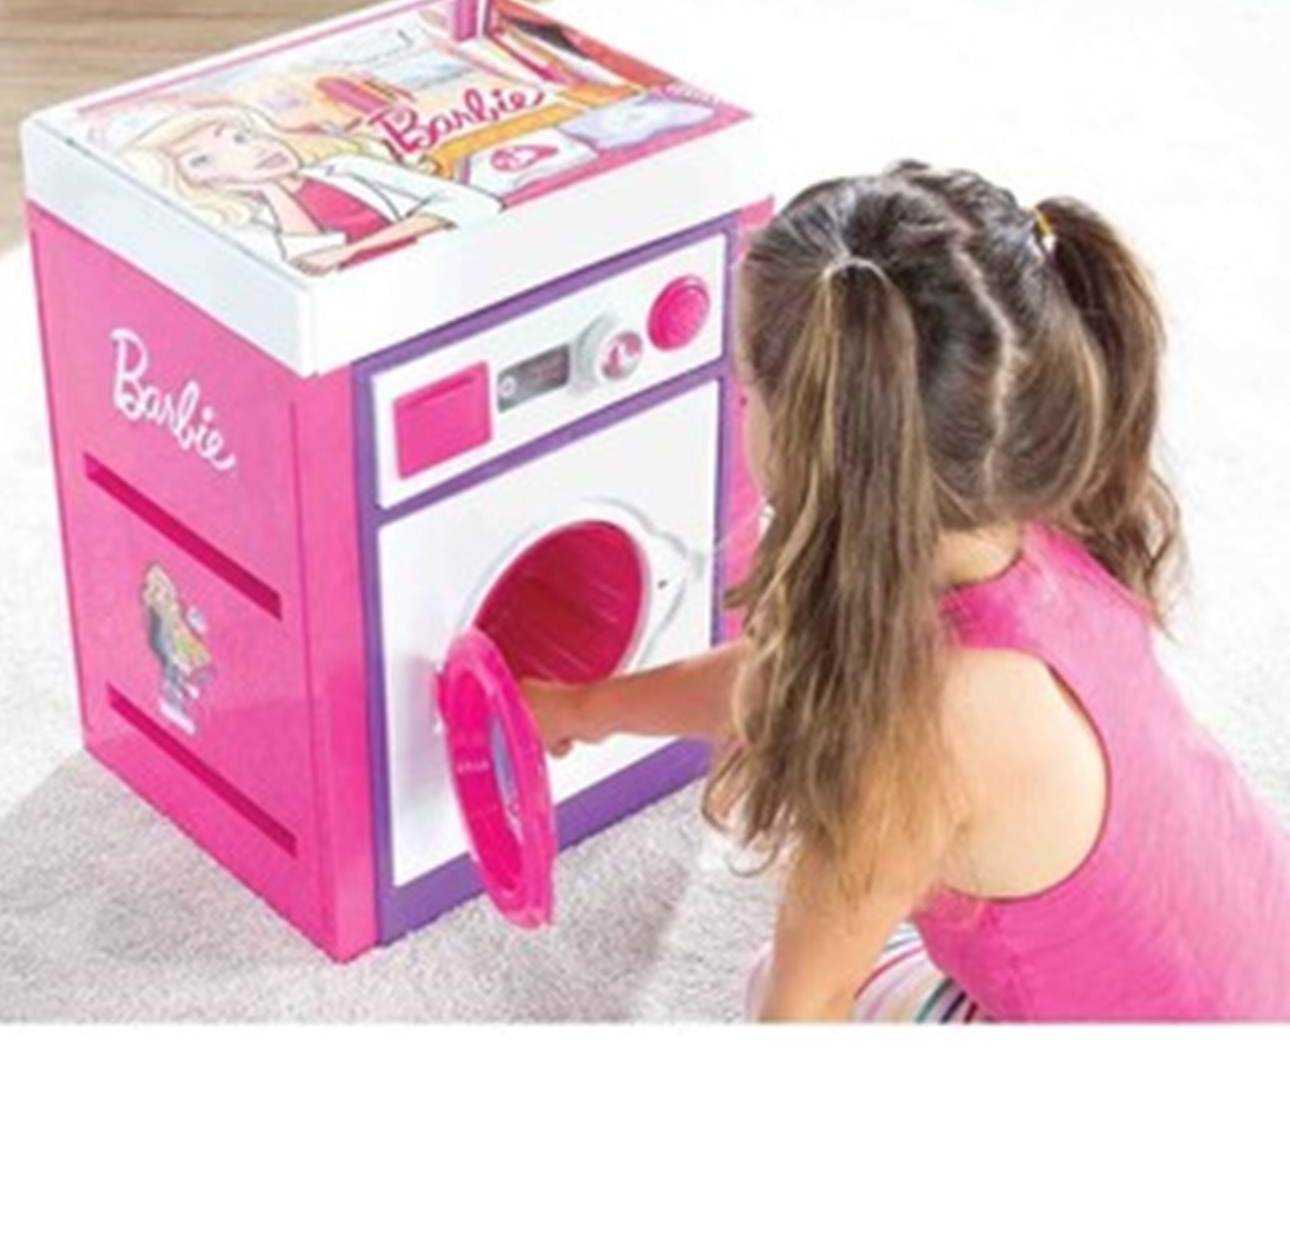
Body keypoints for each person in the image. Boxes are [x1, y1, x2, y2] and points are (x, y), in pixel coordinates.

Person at [521, 161, 1290, 1022]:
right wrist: (582, 708)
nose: (741, 408)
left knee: (777, 973)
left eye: (750, 389)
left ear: (814, 446)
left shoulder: (916, 729)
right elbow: (785, 681)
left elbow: (804, 1007)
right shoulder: (1033, 516)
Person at [118, 102, 500, 276]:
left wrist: (353, 250)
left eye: (241, 136)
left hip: (435, 275)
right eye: (204, 161)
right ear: (201, 183)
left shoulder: (347, 166)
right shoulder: (243, 228)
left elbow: (474, 203)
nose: (252, 150)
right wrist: (272, 189)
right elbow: (310, 268)